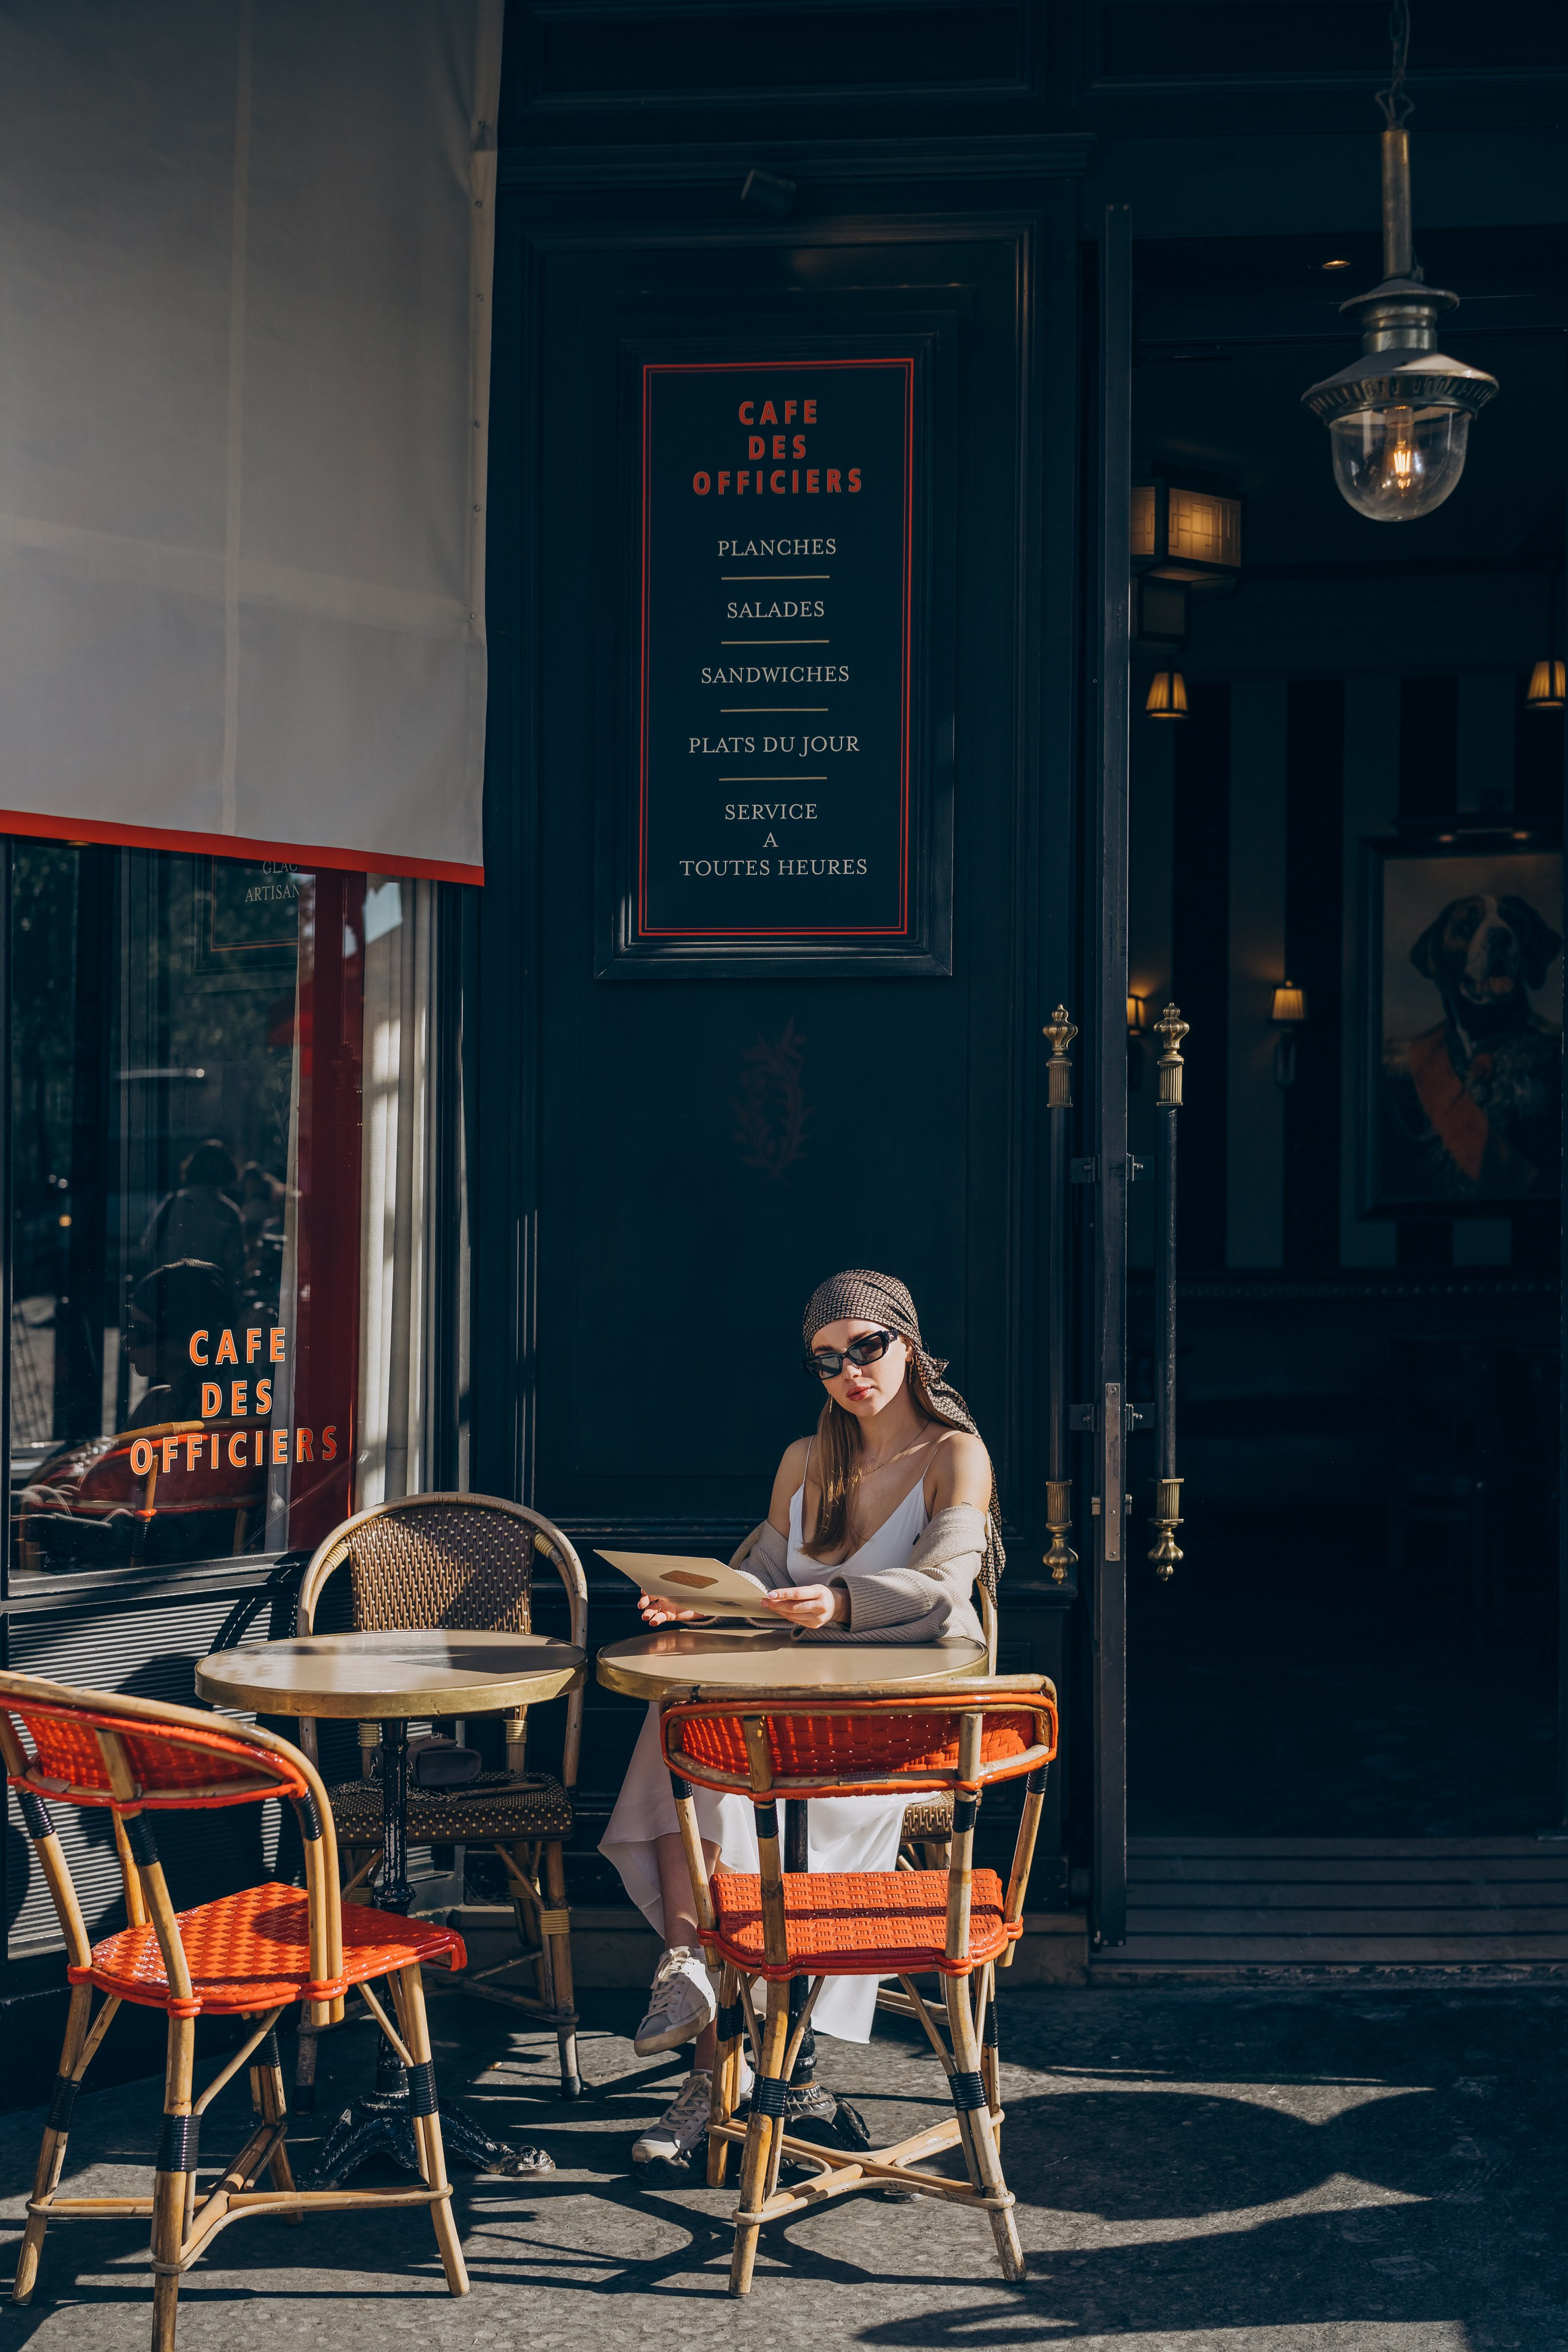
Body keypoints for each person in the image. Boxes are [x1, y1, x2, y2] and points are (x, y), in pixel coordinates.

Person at [600, 1268, 1005, 2180]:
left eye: (866, 1347)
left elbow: (946, 1586)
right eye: (827, 1359)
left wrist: (842, 1601)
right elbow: (764, 1577)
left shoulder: (955, 1454)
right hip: (788, 1710)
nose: (849, 1371)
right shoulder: (807, 1457)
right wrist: (699, 1603)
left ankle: (714, 2062)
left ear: (908, 1344)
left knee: (717, 1765)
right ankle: (693, 1979)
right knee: (682, 1720)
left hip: (886, 1729)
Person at [141, 1139, 245, 1283]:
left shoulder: (173, 1202)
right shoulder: (229, 1211)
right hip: (209, 1288)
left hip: (172, 1285)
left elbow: (148, 1245)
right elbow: (236, 1261)